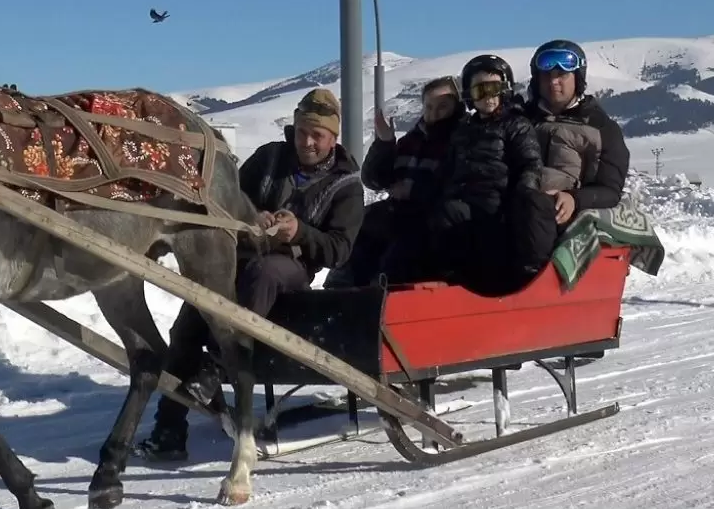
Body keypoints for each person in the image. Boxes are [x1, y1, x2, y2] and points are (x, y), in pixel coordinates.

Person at [136, 87, 366, 461]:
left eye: (317, 136)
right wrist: (250, 215)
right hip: (239, 253)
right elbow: (228, 197)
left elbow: (340, 249)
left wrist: (300, 233)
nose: (307, 142)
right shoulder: (269, 157)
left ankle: (219, 363)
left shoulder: (346, 185)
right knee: (188, 324)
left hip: (290, 271)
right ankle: (169, 429)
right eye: (303, 131)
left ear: (333, 138)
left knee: (264, 272)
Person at [324, 75, 465, 288]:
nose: (434, 114)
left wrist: (413, 191)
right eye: (429, 107)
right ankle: (339, 290)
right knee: (361, 228)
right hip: (398, 213)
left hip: (433, 219)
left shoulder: (462, 140)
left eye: (442, 107)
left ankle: (378, 294)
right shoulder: (413, 140)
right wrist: (385, 144)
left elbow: (458, 184)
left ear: (456, 107)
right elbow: (374, 179)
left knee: (400, 251)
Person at [425, 54, 551, 291]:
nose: (488, 98)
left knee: (455, 218)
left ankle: (472, 283)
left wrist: (524, 191)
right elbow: (447, 169)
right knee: (439, 216)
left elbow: (530, 163)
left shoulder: (516, 125)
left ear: (505, 89)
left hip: (496, 204)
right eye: (479, 91)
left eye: (494, 89)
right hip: (462, 201)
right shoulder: (463, 130)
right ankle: (448, 281)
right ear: (469, 96)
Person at [523, 39, 630, 224]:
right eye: (546, 75)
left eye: (562, 74)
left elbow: (610, 190)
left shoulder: (601, 128)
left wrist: (575, 198)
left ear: (577, 78)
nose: (553, 81)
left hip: (557, 213)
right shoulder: (521, 120)